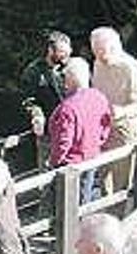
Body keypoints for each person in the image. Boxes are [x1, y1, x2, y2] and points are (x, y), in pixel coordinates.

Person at [90, 26, 137, 195]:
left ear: (114, 47)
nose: (99, 57)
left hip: (125, 128)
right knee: (103, 176)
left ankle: (121, 215)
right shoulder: (97, 63)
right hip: (103, 127)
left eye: (102, 52)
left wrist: (122, 111)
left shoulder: (131, 68)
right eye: (95, 52)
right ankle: (104, 213)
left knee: (122, 180)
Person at [48, 57, 112, 203]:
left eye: (65, 78)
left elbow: (63, 142)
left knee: (66, 205)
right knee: (84, 199)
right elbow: (106, 126)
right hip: (91, 157)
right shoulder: (99, 97)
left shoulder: (68, 108)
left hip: (70, 165)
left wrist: (53, 162)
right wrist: (97, 144)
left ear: (70, 79)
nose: (64, 83)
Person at [19, 31, 72, 168]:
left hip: (70, 125)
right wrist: (37, 115)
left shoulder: (72, 68)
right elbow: (28, 100)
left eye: (68, 51)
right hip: (48, 127)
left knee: (70, 166)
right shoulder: (34, 72)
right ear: (50, 51)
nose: (67, 55)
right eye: (62, 52)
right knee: (47, 167)